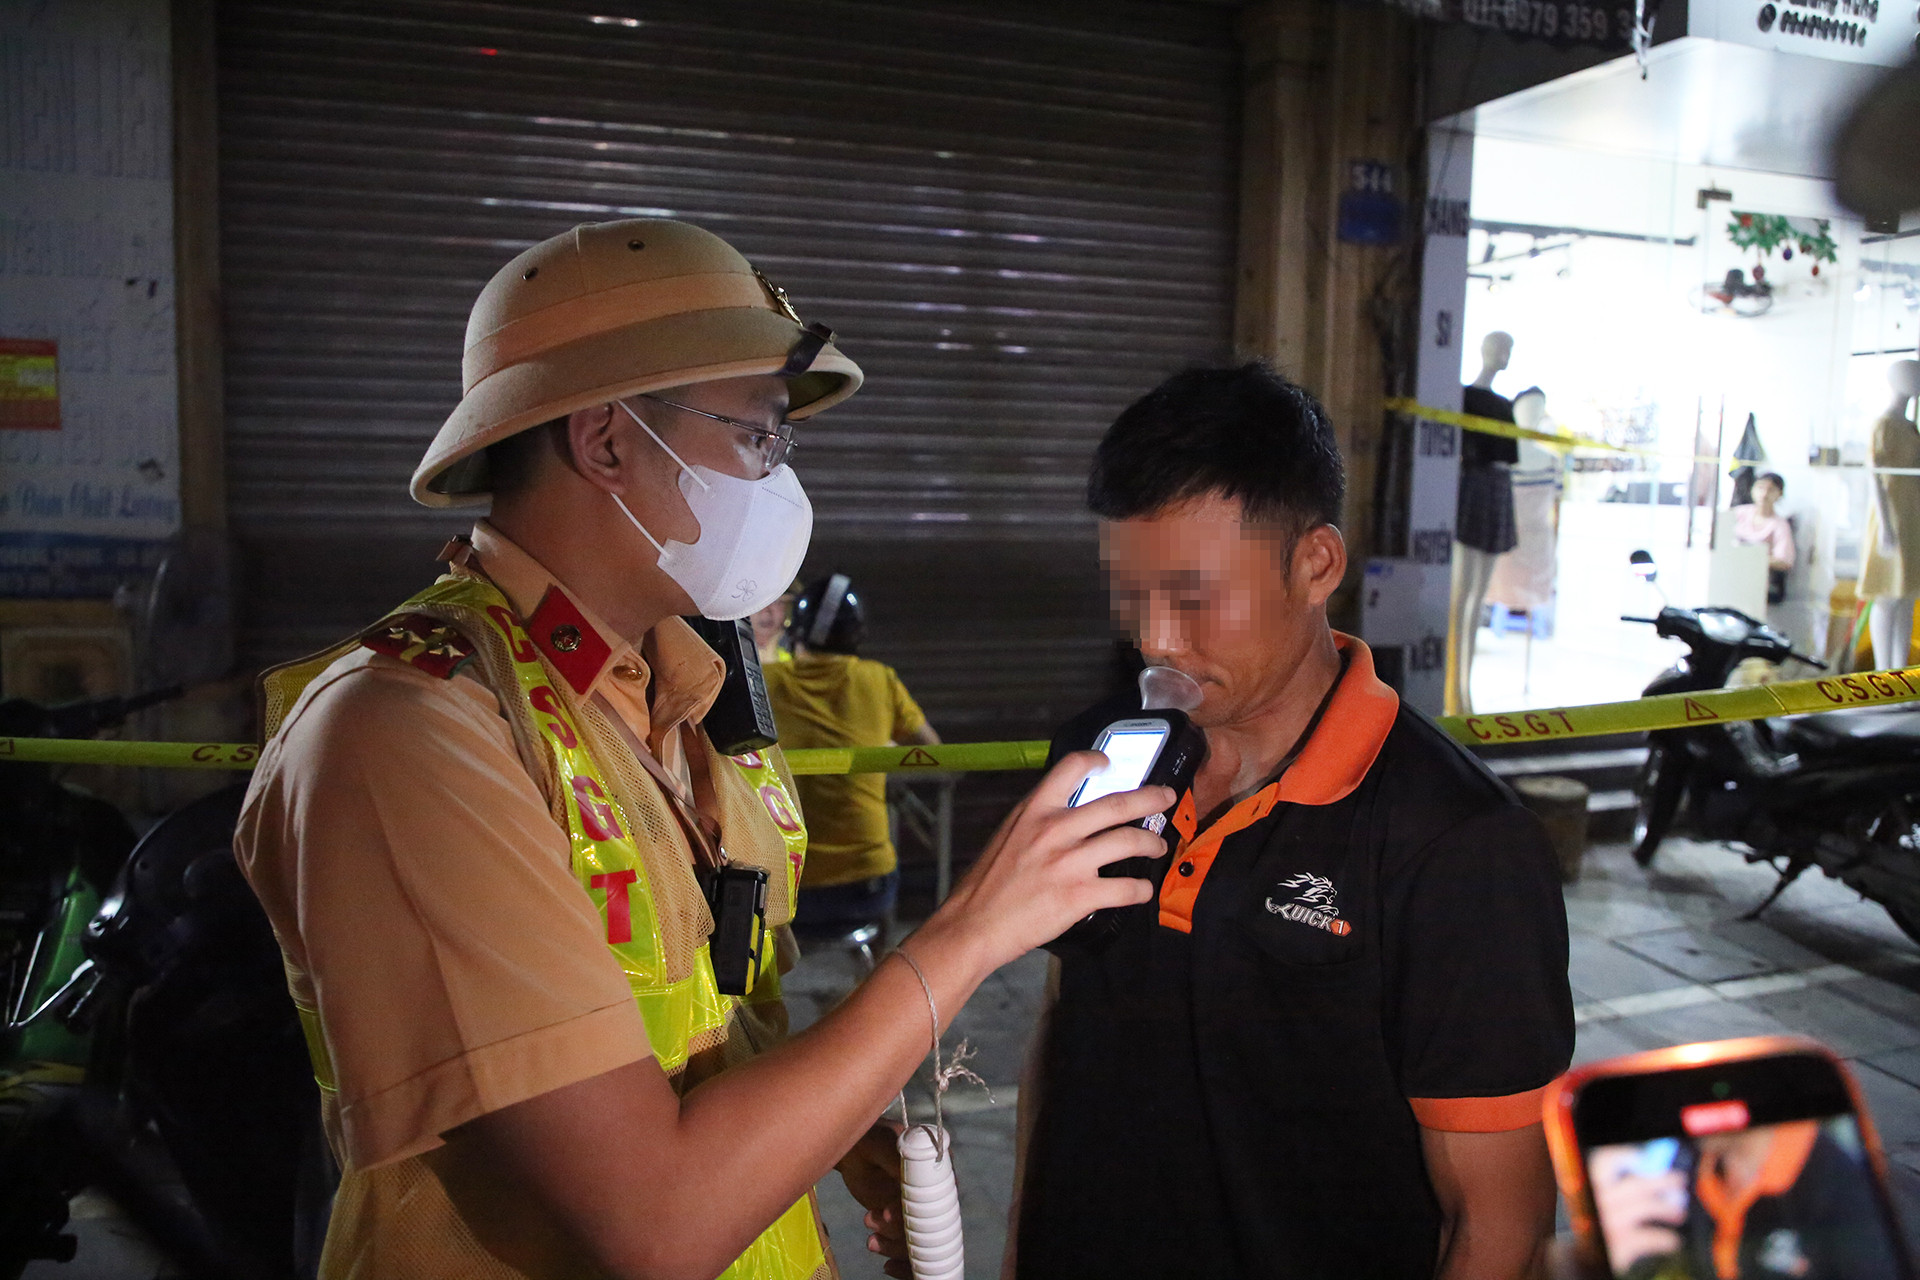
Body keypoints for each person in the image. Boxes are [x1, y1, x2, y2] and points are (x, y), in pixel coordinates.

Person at [233, 218, 1172, 1280]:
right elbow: (653, 1223)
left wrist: (818, 1119)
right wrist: (971, 931)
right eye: (757, 432)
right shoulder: (410, 734)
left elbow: (699, 1018)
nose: (779, 477)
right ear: (606, 439)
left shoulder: (682, 696)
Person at [1009, 363, 1576, 1279]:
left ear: (1316, 565)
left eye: (1193, 596)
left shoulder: (1457, 846)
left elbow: (1499, 1225)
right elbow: (1066, 1022)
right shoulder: (1099, 756)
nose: (1156, 638)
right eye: (1130, 592)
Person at [763, 573, 939, 933]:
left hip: (787, 886)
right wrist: (882, 750)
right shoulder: (879, 679)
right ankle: (877, 961)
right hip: (865, 888)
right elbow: (932, 752)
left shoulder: (767, 681)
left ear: (795, 630)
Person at [1731, 472, 1796, 606]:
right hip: (1731, 572)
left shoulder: (1779, 525)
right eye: (1760, 488)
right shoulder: (1739, 513)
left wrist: (1753, 558)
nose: (1764, 494)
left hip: (1757, 580)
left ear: (1779, 494)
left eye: (1771, 490)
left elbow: (1784, 561)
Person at [751, 580, 799, 666]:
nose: (767, 611)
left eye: (776, 602)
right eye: (760, 602)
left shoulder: (796, 650)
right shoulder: (731, 645)